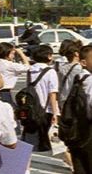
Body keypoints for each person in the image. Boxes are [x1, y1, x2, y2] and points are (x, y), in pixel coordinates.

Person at [22, 44, 60, 152]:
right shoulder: (50, 72)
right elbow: (52, 94)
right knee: (51, 143)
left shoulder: (30, 70)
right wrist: (55, 113)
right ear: (49, 56)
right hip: (45, 110)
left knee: (33, 142)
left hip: (32, 110)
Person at [68, 44, 92, 173]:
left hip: (76, 133)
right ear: (83, 62)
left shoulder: (78, 78)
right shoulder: (90, 81)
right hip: (88, 134)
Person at [0, 42, 29, 108]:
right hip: (5, 93)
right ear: (7, 54)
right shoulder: (10, 65)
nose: (13, 56)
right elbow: (27, 67)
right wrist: (21, 53)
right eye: (12, 53)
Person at [56, 40, 84, 106]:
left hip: (62, 98)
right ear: (76, 54)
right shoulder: (79, 68)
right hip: (74, 100)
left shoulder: (61, 67)